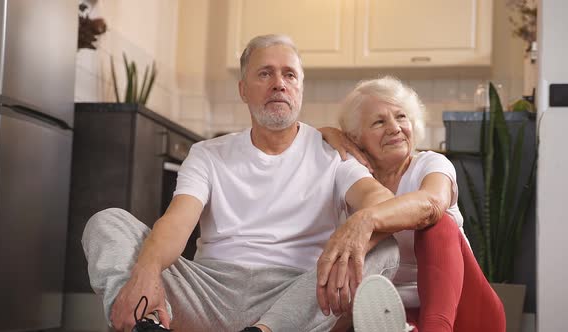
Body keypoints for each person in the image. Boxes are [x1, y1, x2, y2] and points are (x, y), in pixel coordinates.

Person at [82, 35, 404, 332]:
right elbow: (176, 223)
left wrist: (357, 226)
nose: (279, 84)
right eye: (265, 73)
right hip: (209, 291)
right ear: (243, 89)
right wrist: (147, 270)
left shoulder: (334, 154)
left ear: (300, 89)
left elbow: (382, 202)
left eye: (289, 75)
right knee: (107, 223)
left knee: (384, 247)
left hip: (295, 295)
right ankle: (149, 323)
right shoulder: (208, 153)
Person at [319, 76, 506, 332]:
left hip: (464, 312)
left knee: (437, 224)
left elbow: (431, 204)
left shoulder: (431, 164)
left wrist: (367, 219)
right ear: (355, 138)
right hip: (394, 316)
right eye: (379, 122)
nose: (395, 128)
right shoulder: (351, 180)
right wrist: (325, 133)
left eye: (401, 117)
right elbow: (301, 145)